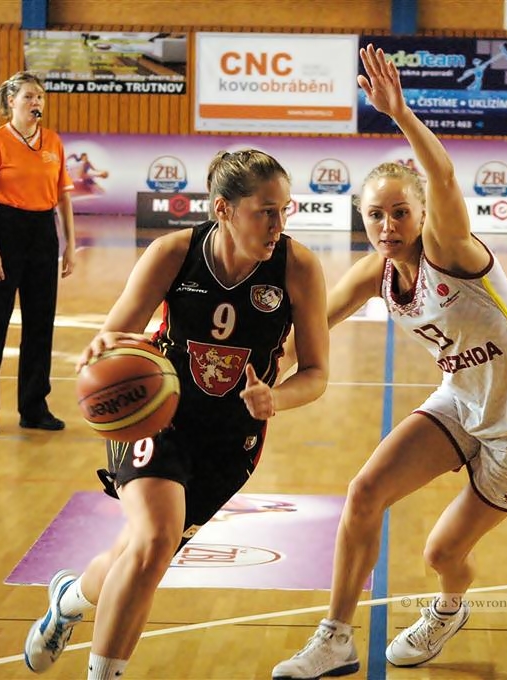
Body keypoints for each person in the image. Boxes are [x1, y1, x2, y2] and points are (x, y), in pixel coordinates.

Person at [271, 44, 507, 679]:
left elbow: (443, 176)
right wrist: (263, 370)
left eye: (400, 212)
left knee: (441, 554)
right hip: (462, 400)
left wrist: (400, 114)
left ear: (422, 214)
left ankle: (448, 608)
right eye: (375, 215)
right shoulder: (375, 272)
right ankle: (334, 638)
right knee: (364, 492)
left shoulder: (450, 250)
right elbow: (309, 329)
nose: (388, 225)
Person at [22, 149, 330, 679]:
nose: (278, 224)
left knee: (138, 555)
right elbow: (115, 333)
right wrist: (104, 349)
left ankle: (69, 599)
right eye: (266, 211)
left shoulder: (297, 267)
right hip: (157, 417)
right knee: (155, 541)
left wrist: (276, 398)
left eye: (285, 210)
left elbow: (317, 372)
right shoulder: (173, 254)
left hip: (232, 439)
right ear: (224, 209)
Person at [0, 71, 76, 434]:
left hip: (43, 232)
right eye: (29, 96)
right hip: (6, 230)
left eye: (40, 96)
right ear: (11, 101)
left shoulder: (53, 142)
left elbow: (63, 198)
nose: (36, 102)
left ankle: (34, 407)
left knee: (40, 324)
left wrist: (70, 245)